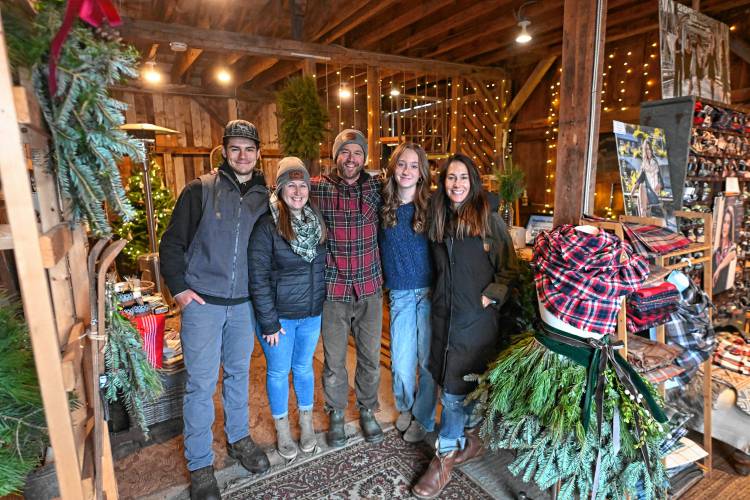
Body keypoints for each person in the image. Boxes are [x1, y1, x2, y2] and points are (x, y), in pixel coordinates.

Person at [159, 120, 270, 500]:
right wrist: (181, 291)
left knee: (240, 375)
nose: (242, 155)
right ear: (224, 151)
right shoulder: (199, 190)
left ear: (258, 153)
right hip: (202, 304)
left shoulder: (264, 197)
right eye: (235, 148)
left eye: (249, 149)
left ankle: (239, 438)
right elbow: (171, 244)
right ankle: (200, 463)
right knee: (201, 384)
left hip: (243, 306)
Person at [412, 154, 518, 499]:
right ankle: (472, 438)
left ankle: (442, 460)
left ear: (472, 181)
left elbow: (510, 268)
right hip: (444, 314)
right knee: (455, 383)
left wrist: (491, 297)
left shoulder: (488, 219)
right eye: (450, 178)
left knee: (456, 392)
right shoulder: (439, 219)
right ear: (443, 183)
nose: (456, 184)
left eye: (462, 178)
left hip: (476, 318)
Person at [309, 129, 385, 447]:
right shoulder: (318, 188)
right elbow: (283, 190)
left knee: (369, 358)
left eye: (356, 152)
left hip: (369, 288)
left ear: (364, 158)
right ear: (335, 156)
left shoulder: (378, 187)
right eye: (344, 152)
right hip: (334, 290)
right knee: (335, 361)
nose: (350, 158)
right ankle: (336, 414)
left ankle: (367, 409)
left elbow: (415, 186)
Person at [249, 157, 327, 460]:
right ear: (279, 189)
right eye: (290, 185)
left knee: (304, 368)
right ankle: (283, 431)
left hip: (310, 314)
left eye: (302, 184)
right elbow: (258, 277)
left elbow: (321, 267)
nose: (297, 191)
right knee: (280, 372)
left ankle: (305, 425)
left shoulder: (315, 220)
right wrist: (268, 322)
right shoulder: (266, 226)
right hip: (279, 319)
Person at [379, 142, 437, 443]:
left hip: (429, 293)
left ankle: (424, 416)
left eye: (414, 165)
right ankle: (405, 406)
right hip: (400, 294)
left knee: (427, 360)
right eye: (402, 164)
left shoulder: (432, 206)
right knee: (401, 363)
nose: (407, 170)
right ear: (393, 167)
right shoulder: (383, 205)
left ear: (422, 172)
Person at [630, 138, 665, 218]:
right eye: (646, 149)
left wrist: (660, 184)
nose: (648, 151)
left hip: (654, 189)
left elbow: (660, 177)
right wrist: (633, 189)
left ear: (651, 150)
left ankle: (645, 219)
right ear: (644, 151)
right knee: (643, 209)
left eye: (649, 149)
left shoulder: (655, 162)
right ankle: (643, 220)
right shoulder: (644, 163)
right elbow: (641, 177)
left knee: (649, 209)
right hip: (646, 188)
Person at [713, 203, 737, 291]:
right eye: (724, 222)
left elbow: (732, 254)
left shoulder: (732, 247)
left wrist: (718, 269)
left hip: (721, 291)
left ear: (731, 227)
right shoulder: (717, 246)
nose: (725, 226)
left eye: (728, 223)